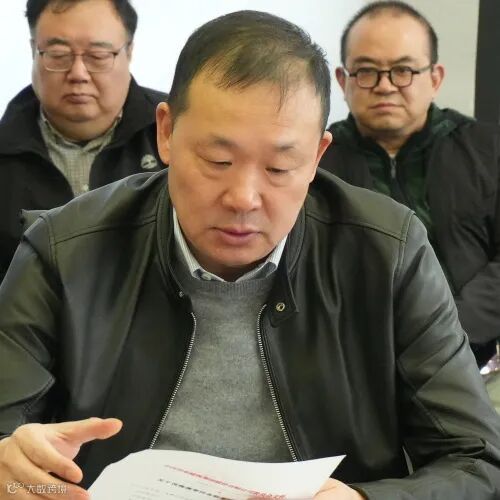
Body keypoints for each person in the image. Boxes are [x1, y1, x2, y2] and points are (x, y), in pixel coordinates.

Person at [0, 9, 499, 500]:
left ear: (317, 156)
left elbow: (477, 462)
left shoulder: (388, 252)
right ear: (166, 132)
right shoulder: (64, 249)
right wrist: (12, 468)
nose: (243, 198)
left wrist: (361, 499)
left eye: (279, 168)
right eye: (218, 160)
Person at [318, 1, 500, 371]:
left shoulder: (488, 150)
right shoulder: (315, 163)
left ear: (435, 78)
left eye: (402, 70)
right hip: (354, 365)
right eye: (366, 71)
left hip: (474, 357)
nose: (385, 86)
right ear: (342, 80)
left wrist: (450, 331)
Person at [0, 0, 167, 282]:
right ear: (33, 51)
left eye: (98, 56)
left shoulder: (178, 132)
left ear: (129, 52)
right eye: (58, 55)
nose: (78, 74)